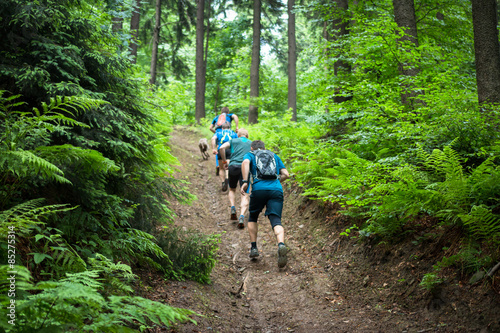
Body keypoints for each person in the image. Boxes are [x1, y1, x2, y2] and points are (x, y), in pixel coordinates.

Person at [240, 140, 290, 268]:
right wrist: (276, 182)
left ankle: (254, 248)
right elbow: (286, 174)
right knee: (276, 220)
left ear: (252, 148)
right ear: (264, 148)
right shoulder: (274, 155)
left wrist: (245, 182)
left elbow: (245, 163)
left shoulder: (250, 155)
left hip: (259, 188)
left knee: (253, 217)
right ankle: (281, 244)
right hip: (276, 189)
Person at [219, 128, 252, 229]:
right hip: (245, 169)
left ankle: (233, 207)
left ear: (238, 135)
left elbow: (221, 148)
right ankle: (242, 215)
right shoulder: (251, 143)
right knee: (245, 193)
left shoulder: (233, 141)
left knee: (232, 189)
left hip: (233, 166)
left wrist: (224, 161)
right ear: (247, 135)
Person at [211, 122, 238, 191]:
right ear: (229, 128)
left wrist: (213, 148)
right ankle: (227, 178)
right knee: (228, 167)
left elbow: (213, 139)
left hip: (220, 150)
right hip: (230, 150)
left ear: (222, 128)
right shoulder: (233, 133)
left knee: (221, 168)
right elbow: (237, 141)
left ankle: (223, 182)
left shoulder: (219, 132)